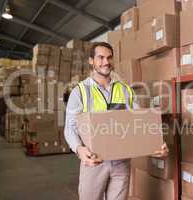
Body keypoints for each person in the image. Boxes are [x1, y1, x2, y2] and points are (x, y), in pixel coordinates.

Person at [64, 42, 169, 200]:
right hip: (94, 162)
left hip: (121, 162)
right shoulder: (80, 92)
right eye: (100, 57)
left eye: (109, 57)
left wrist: (156, 145)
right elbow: (70, 128)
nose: (106, 62)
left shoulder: (125, 90)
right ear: (91, 61)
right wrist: (80, 150)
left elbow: (138, 123)